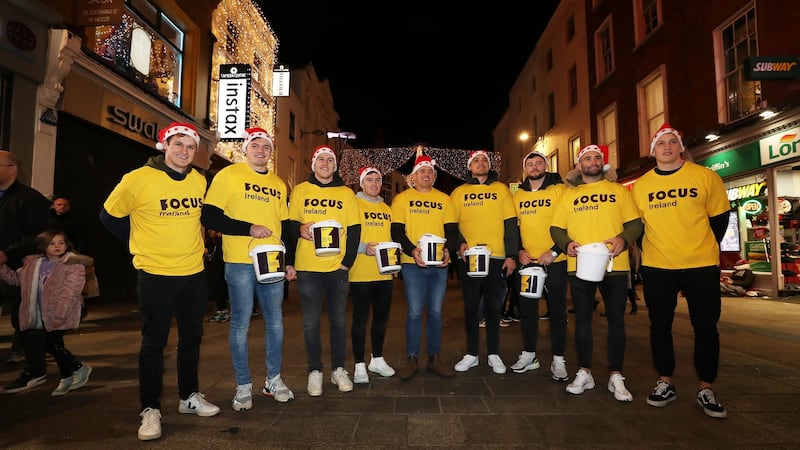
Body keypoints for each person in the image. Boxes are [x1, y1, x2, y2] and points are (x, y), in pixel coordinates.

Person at [100, 122, 220, 441]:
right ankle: (150, 408)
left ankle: (188, 397)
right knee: (154, 343)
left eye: (190, 147)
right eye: (178, 144)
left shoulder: (199, 180)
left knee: (192, 339)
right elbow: (109, 216)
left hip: (193, 272)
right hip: (155, 273)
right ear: (164, 145)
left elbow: (205, 217)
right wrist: (137, 242)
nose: (184, 151)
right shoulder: (138, 178)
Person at [631, 123, 731, 418]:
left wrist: (700, 246)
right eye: (661, 143)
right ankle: (665, 382)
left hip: (701, 263)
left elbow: (719, 221)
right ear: (653, 151)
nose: (667, 147)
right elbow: (638, 228)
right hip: (658, 265)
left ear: (680, 147)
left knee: (706, 327)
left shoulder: (705, 177)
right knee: (659, 326)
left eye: (672, 141)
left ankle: (706, 386)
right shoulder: (641, 185)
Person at [201, 127, 296, 410]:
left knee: (275, 322)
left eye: (266, 147)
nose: (261, 151)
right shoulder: (228, 175)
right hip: (240, 261)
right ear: (246, 149)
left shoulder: (279, 184)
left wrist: (289, 260)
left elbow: (286, 224)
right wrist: (248, 228)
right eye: (255, 145)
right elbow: (210, 215)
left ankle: (273, 380)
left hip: (272, 260)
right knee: (241, 323)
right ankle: (243, 386)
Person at [550, 144, 642, 402]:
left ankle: (616, 375)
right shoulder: (568, 195)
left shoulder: (617, 191)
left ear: (602, 164)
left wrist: (624, 239)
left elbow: (635, 223)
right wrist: (566, 244)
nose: (592, 161)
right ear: (579, 165)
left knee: (616, 321)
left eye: (597, 158)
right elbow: (556, 228)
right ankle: (585, 371)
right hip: (579, 265)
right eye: (587, 158)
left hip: (614, 264)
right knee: (583, 322)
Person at [285, 145, 360, 396]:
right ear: (313, 164)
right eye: (321, 159)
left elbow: (355, 229)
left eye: (330, 160)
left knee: (339, 321)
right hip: (308, 268)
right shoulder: (300, 190)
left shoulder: (346, 193)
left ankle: (338, 369)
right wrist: (300, 229)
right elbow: (290, 224)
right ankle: (314, 371)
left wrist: (347, 262)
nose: (325, 163)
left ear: (335, 166)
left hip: (336, 268)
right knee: (310, 324)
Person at [450, 150, 519, 375]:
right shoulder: (459, 192)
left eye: (484, 161)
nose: (480, 163)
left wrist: (511, 255)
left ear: (489, 166)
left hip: (496, 257)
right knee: (471, 307)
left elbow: (510, 224)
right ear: (469, 167)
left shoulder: (501, 190)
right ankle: (471, 354)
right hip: (469, 258)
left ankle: (493, 354)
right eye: (476, 161)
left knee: (492, 308)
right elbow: (452, 225)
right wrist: (460, 244)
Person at [0, 230, 93, 396]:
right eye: (52, 243)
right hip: (39, 313)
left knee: (52, 344)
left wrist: (60, 315)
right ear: (42, 246)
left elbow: (70, 293)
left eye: (61, 243)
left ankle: (79, 368)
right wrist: (2, 268)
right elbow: (16, 279)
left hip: (59, 313)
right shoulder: (32, 264)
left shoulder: (72, 264)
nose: (57, 246)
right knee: (55, 345)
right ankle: (67, 376)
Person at [391, 153, 458, 380]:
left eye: (430, 171)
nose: (427, 174)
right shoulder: (401, 199)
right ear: (413, 176)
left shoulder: (445, 199)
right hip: (412, 264)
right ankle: (412, 359)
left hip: (439, 264)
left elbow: (451, 230)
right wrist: (413, 251)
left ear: (434, 175)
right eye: (422, 171)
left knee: (437, 312)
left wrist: (448, 249)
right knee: (414, 312)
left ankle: (434, 358)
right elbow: (397, 231)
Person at [511, 150, 570, 381]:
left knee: (557, 311)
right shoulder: (517, 196)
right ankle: (529, 355)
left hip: (555, 262)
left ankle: (558, 359)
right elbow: (512, 227)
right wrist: (518, 252)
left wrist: (555, 251)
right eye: (530, 164)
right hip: (528, 264)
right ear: (525, 169)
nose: (534, 167)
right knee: (527, 312)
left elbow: (570, 223)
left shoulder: (560, 190)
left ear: (545, 166)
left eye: (538, 163)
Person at [0, 150, 52, 366]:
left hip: (19, 268)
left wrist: (8, 253)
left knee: (21, 312)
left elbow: (41, 234)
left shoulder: (30, 198)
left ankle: (27, 355)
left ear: (12, 168)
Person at [349, 166, 396, 384]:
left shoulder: (387, 208)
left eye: (377, 180)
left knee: (380, 320)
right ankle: (359, 364)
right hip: (360, 273)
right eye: (369, 179)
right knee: (359, 320)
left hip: (384, 274)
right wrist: (363, 248)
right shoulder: (353, 204)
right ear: (361, 183)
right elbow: (344, 234)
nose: (374, 183)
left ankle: (377, 359)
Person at [203, 228, 229, 323]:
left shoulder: (221, 239)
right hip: (216, 266)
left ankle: (223, 311)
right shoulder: (212, 239)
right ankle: (221, 310)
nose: (209, 232)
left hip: (223, 265)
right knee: (217, 286)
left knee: (220, 286)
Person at [627, 241, 641, 314]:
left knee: (629, 289)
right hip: (626, 267)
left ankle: (634, 306)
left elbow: (636, 257)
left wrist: (636, 270)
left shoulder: (633, 243)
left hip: (629, 267)